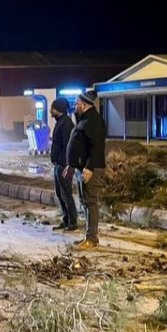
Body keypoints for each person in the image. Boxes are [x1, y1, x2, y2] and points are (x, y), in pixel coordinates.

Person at [64, 91, 106, 249]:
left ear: (83, 104)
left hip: (91, 169)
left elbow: (97, 146)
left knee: (90, 202)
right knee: (85, 202)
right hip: (82, 168)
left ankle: (91, 239)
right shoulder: (84, 119)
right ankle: (88, 236)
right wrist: (72, 164)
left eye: (76, 103)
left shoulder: (93, 120)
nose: (75, 106)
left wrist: (89, 167)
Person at [49, 98, 77, 231]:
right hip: (58, 165)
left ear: (58, 109)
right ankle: (66, 220)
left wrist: (65, 165)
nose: (50, 110)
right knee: (60, 194)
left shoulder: (66, 124)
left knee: (66, 194)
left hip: (64, 166)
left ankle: (73, 222)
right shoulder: (60, 122)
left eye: (52, 108)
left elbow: (68, 146)